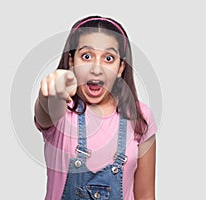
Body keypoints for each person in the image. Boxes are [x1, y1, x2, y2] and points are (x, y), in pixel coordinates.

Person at [34, 15, 157, 200]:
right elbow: (46, 108)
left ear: (120, 67)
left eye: (108, 58)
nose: (97, 69)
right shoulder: (62, 111)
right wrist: (50, 93)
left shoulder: (140, 116)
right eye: (86, 56)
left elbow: (146, 195)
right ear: (71, 61)